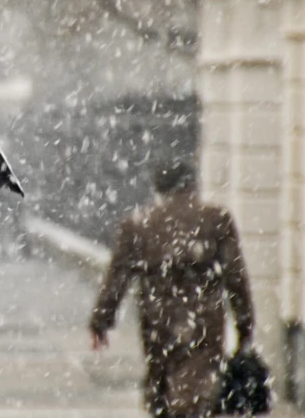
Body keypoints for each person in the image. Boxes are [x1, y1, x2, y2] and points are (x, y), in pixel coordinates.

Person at [89, 161, 254, 418]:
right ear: (192, 184)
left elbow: (117, 277)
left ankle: (165, 406)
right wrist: (244, 323)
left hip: (158, 320)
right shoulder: (216, 220)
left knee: (162, 381)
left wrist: (102, 318)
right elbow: (236, 278)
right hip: (204, 320)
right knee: (197, 390)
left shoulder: (139, 225)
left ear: (158, 188)